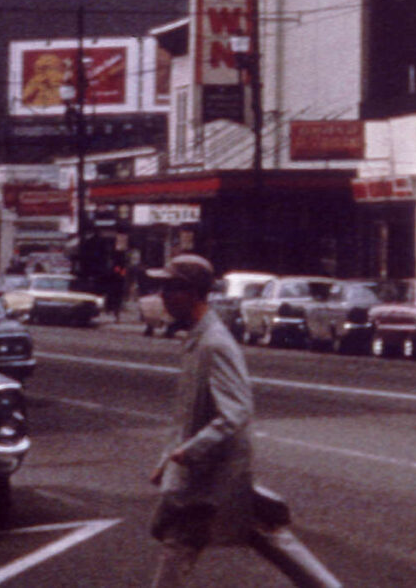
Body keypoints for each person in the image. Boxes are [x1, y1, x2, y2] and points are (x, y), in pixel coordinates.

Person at [148, 252, 341, 588]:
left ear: (193, 292)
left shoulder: (214, 343)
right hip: (212, 473)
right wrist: (167, 459)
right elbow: (187, 413)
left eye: (170, 288)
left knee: (180, 541)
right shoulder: (198, 338)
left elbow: (236, 410)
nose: (162, 296)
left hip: (208, 473)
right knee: (260, 532)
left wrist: (188, 453)